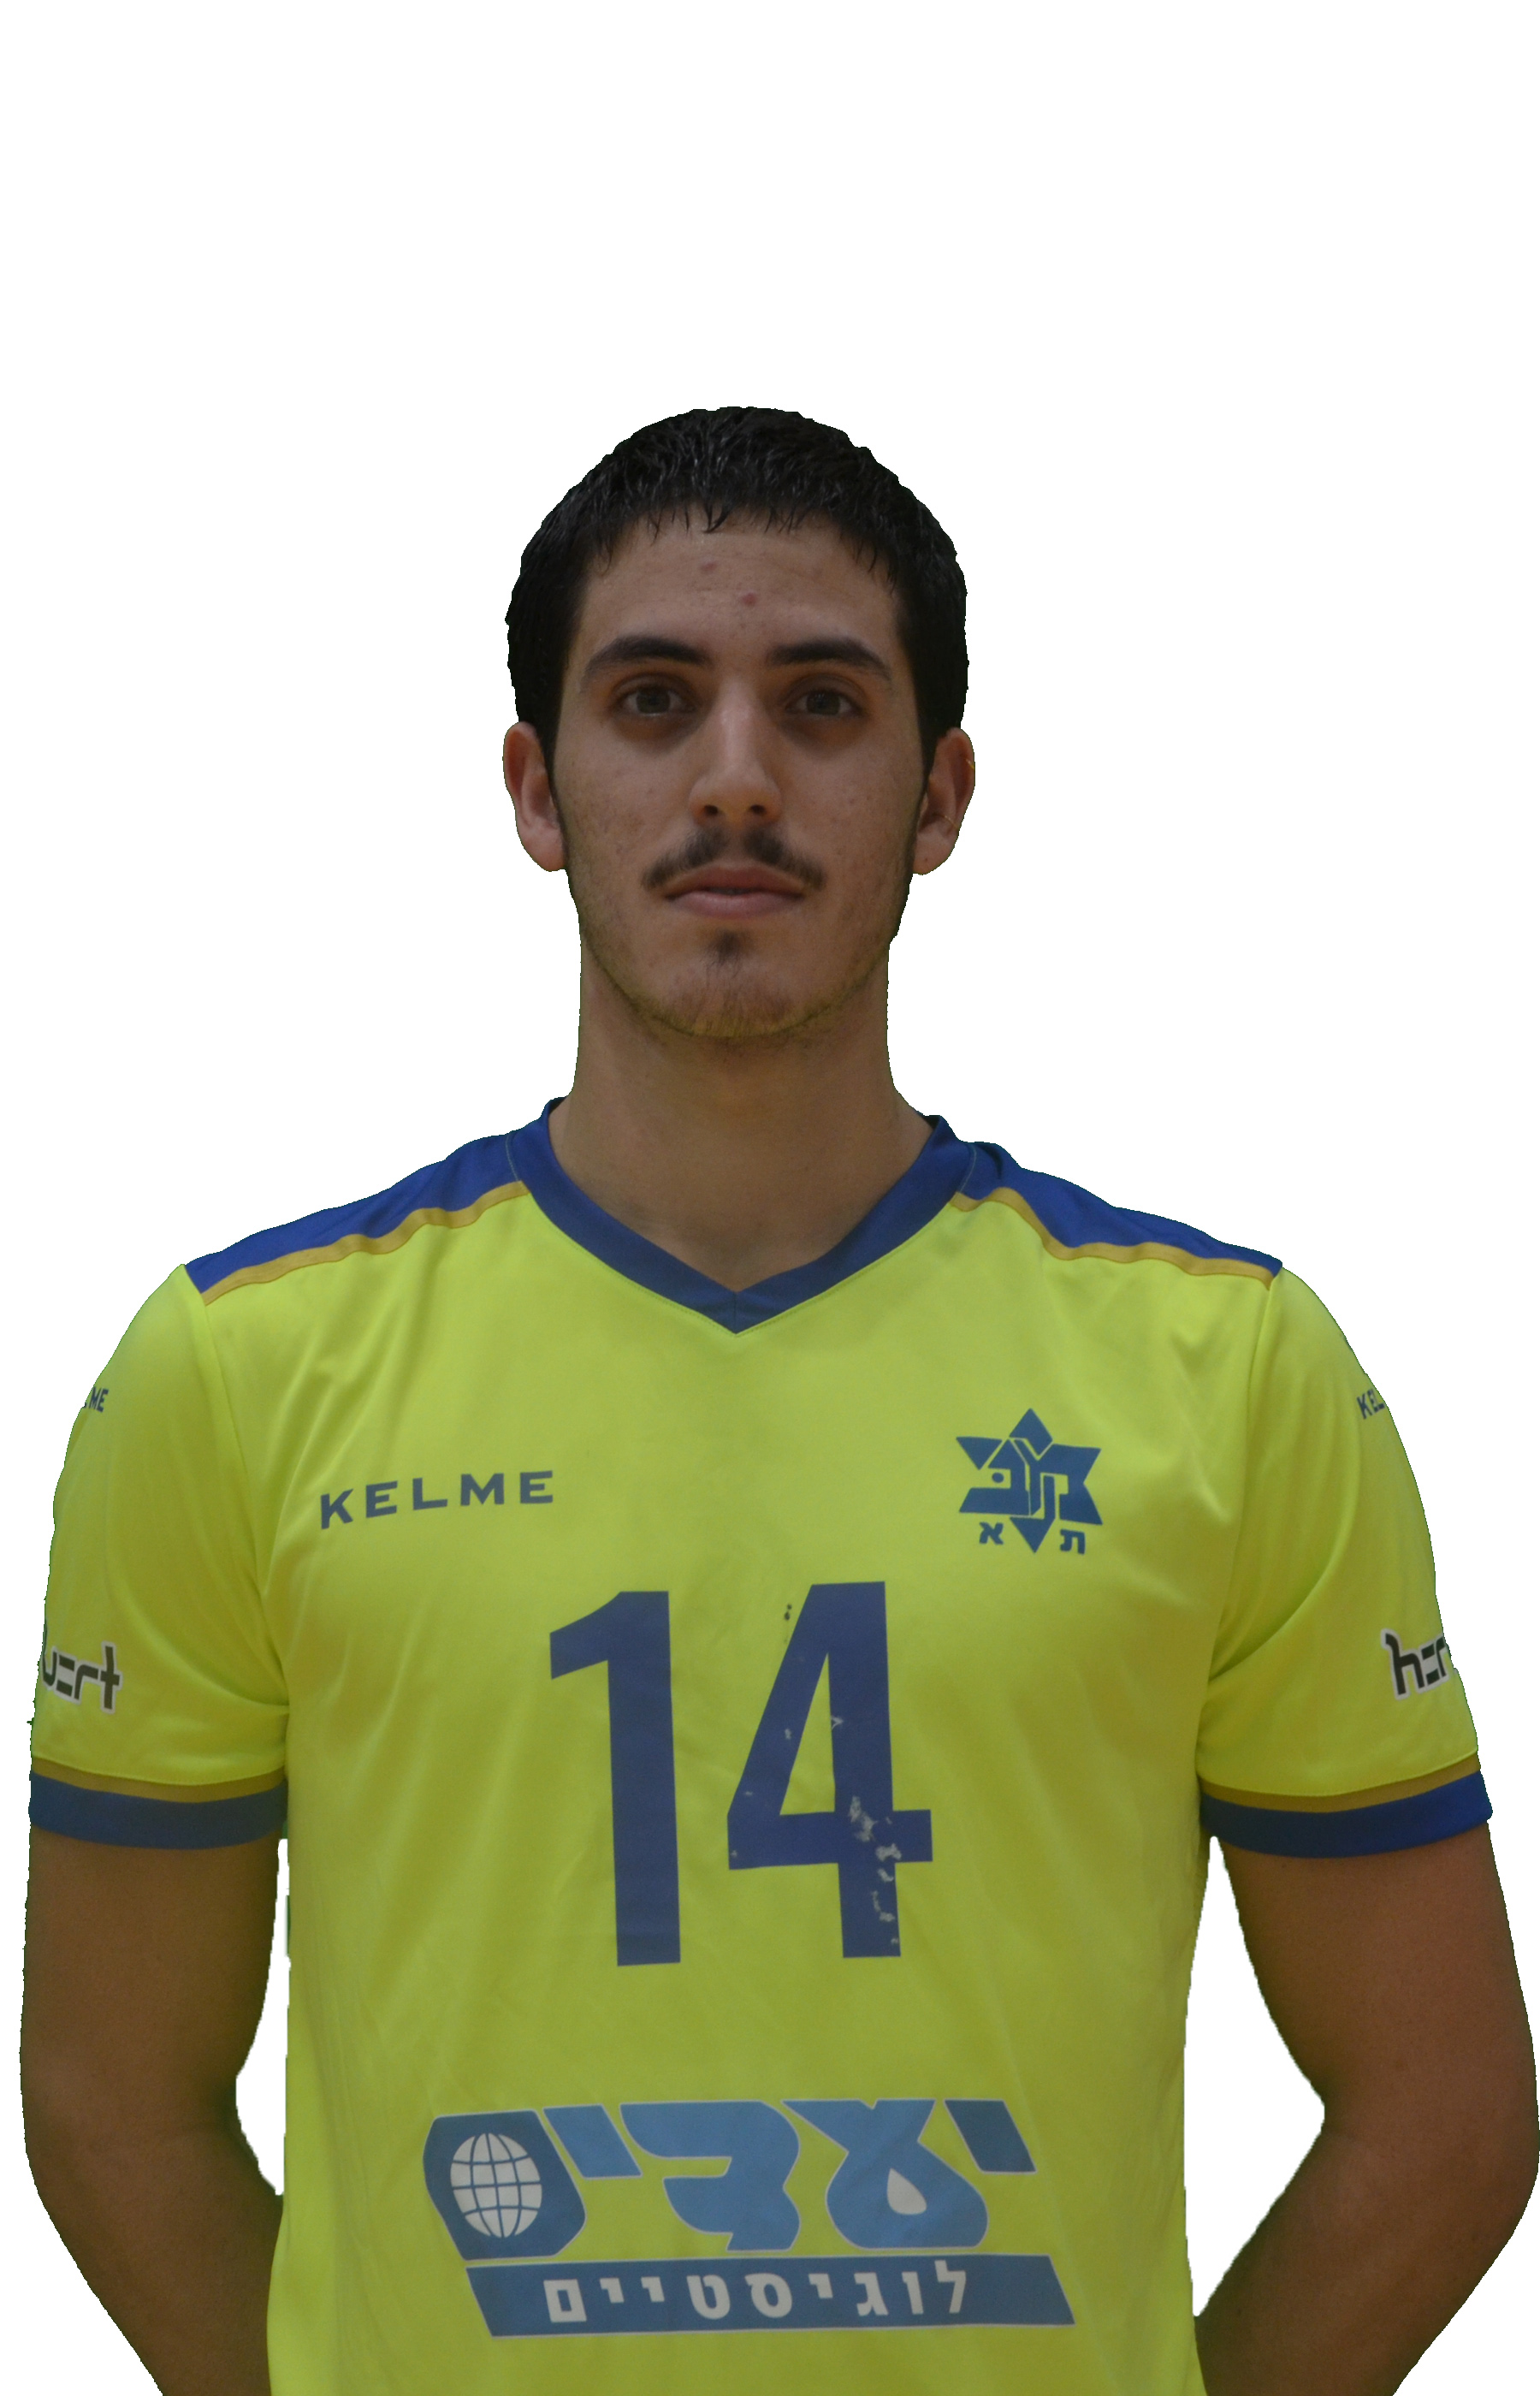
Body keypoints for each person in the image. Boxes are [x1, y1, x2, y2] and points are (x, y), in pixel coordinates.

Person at [23, 406, 1534, 2396]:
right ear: (537, 787)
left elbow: (1444, 2109)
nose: (735, 775)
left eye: (822, 703)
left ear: (939, 791)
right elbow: (112, 2101)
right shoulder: (233, 1372)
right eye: (653, 700)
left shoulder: (1232, 1373)